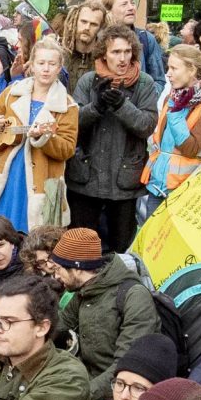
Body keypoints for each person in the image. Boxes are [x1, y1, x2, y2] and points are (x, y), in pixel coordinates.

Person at [66, 25, 160, 252]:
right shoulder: (89, 81)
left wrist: (121, 105)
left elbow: (147, 125)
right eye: (116, 52)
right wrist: (96, 106)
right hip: (86, 178)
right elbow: (72, 123)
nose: (123, 58)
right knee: (83, 247)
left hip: (124, 180)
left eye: (127, 52)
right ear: (104, 55)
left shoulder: (144, 83)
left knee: (121, 247)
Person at [0, 37, 77, 231]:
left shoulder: (67, 105)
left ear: (59, 67)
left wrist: (44, 138)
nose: (46, 69)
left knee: (36, 238)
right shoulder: (14, 91)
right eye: (41, 63)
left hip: (43, 179)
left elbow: (67, 148)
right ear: (32, 65)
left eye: (52, 64)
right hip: (7, 174)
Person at [46, 226, 160, 399]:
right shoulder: (84, 291)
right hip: (85, 380)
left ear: (77, 268)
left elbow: (126, 367)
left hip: (118, 393)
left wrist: (79, 397)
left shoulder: (134, 297)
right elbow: (58, 326)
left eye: (58, 269)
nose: (55, 277)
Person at [142, 44, 201, 208]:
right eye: (168, 67)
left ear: (192, 70)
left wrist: (175, 114)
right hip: (157, 187)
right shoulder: (173, 96)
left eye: (174, 68)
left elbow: (190, 148)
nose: (168, 74)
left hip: (187, 194)